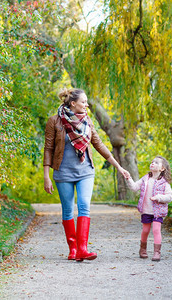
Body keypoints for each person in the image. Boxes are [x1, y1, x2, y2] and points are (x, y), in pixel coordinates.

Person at [43, 88, 130, 262]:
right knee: (67, 210)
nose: (87, 105)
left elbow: (99, 145)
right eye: (83, 102)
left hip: (85, 172)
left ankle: (83, 249)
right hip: (63, 172)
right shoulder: (54, 121)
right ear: (73, 103)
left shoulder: (87, 122)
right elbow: (48, 149)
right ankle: (73, 249)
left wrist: (119, 167)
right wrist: (46, 175)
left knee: (84, 205)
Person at [125, 156, 172, 261]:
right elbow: (134, 187)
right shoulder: (145, 179)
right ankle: (142, 249)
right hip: (146, 210)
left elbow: (170, 197)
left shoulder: (164, 183)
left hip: (158, 212)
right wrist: (129, 178)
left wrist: (159, 197)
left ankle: (157, 252)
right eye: (152, 162)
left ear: (162, 168)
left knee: (156, 230)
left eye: (156, 162)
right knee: (145, 230)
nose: (153, 163)